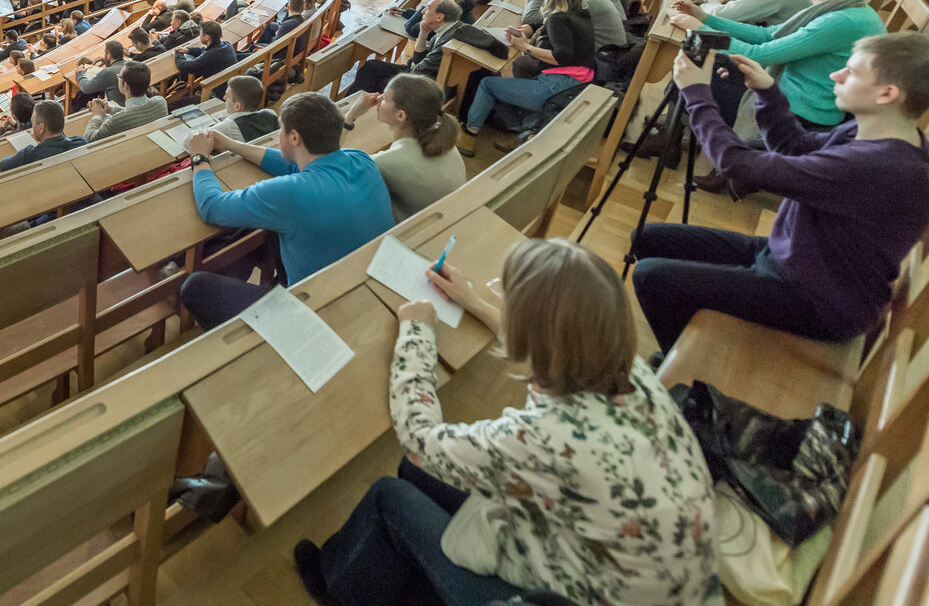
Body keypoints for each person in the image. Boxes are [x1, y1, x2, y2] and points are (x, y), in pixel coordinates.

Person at [294, 239, 720, 606]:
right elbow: (556, 347)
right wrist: (475, 302)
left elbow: (419, 440)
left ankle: (336, 586)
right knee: (415, 477)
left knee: (390, 493)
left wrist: (417, 333)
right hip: (653, 580)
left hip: (560, 597)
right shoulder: (630, 370)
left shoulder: (551, 436)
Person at [632, 32, 929, 353]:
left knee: (652, 277)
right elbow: (795, 146)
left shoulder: (880, 166)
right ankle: (693, 335)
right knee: (646, 238)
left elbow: (734, 163)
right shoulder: (877, 131)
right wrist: (767, 91)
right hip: (798, 258)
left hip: (819, 300)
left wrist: (697, 93)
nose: (836, 74)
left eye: (852, 71)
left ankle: (691, 380)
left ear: (888, 93)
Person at [178, 94, 395, 327]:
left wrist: (199, 157)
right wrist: (232, 145)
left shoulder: (290, 192)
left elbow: (212, 207)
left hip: (314, 312)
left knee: (195, 287)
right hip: (365, 286)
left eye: (282, 130)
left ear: (294, 137)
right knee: (270, 232)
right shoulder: (361, 159)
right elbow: (294, 165)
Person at [669, 0, 883, 130]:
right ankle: (683, 140)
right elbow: (769, 35)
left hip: (801, 114)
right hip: (792, 96)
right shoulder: (842, 8)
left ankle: (724, 157)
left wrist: (701, 30)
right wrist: (707, 20)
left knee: (692, 75)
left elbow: (760, 54)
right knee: (702, 64)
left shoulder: (840, 21)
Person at [462, 0, 594, 153]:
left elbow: (562, 56)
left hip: (557, 88)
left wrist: (526, 47)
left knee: (488, 84)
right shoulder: (583, 18)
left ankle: (469, 135)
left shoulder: (557, 19)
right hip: (576, 86)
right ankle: (519, 133)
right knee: (502, 84)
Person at [345, 74, 466, 221]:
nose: (379, 98)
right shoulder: (444, 141)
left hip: (405, 233)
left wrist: (350, 116)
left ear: (401, 115)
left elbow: (328, 166)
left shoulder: (390, 162)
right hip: (442, 220)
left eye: (386, 98)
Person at [350, 0, 465, 93]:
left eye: (428, 8)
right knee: (372, 66)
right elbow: (419, 60)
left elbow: (419, 69)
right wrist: (423, 34)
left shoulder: (448, 39)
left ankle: (353, 114)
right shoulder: (445, 30)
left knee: (380, 81)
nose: (423, 12)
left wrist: (412, 65)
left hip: (426, 84)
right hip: (420, 72)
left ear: (439, 17)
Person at [84, 62, 168, 140]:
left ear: (125, 85)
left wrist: (97, 116)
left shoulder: (117, 121)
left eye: (119, 77)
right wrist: (110, 110)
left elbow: (89, 138)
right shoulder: (160, 102)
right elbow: (137, 112)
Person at [0, 98, 86, 171]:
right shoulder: (81, 143)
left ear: (41, 128)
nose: (32, 127)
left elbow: (3, 165)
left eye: (33, 123)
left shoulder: (28, 155)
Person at [220, 74, 278, 141]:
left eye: (227, 96)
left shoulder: (229, 125)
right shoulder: (270, 113)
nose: (224, 98)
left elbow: (206, 135)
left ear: (237, 106)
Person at [75, 40, 128, 106]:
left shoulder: (107, 72)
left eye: (105, 53)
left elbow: (86, 88)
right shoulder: (132, 64)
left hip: (119, 110)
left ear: (108, 55)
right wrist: (106, 62)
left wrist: (79, 73)